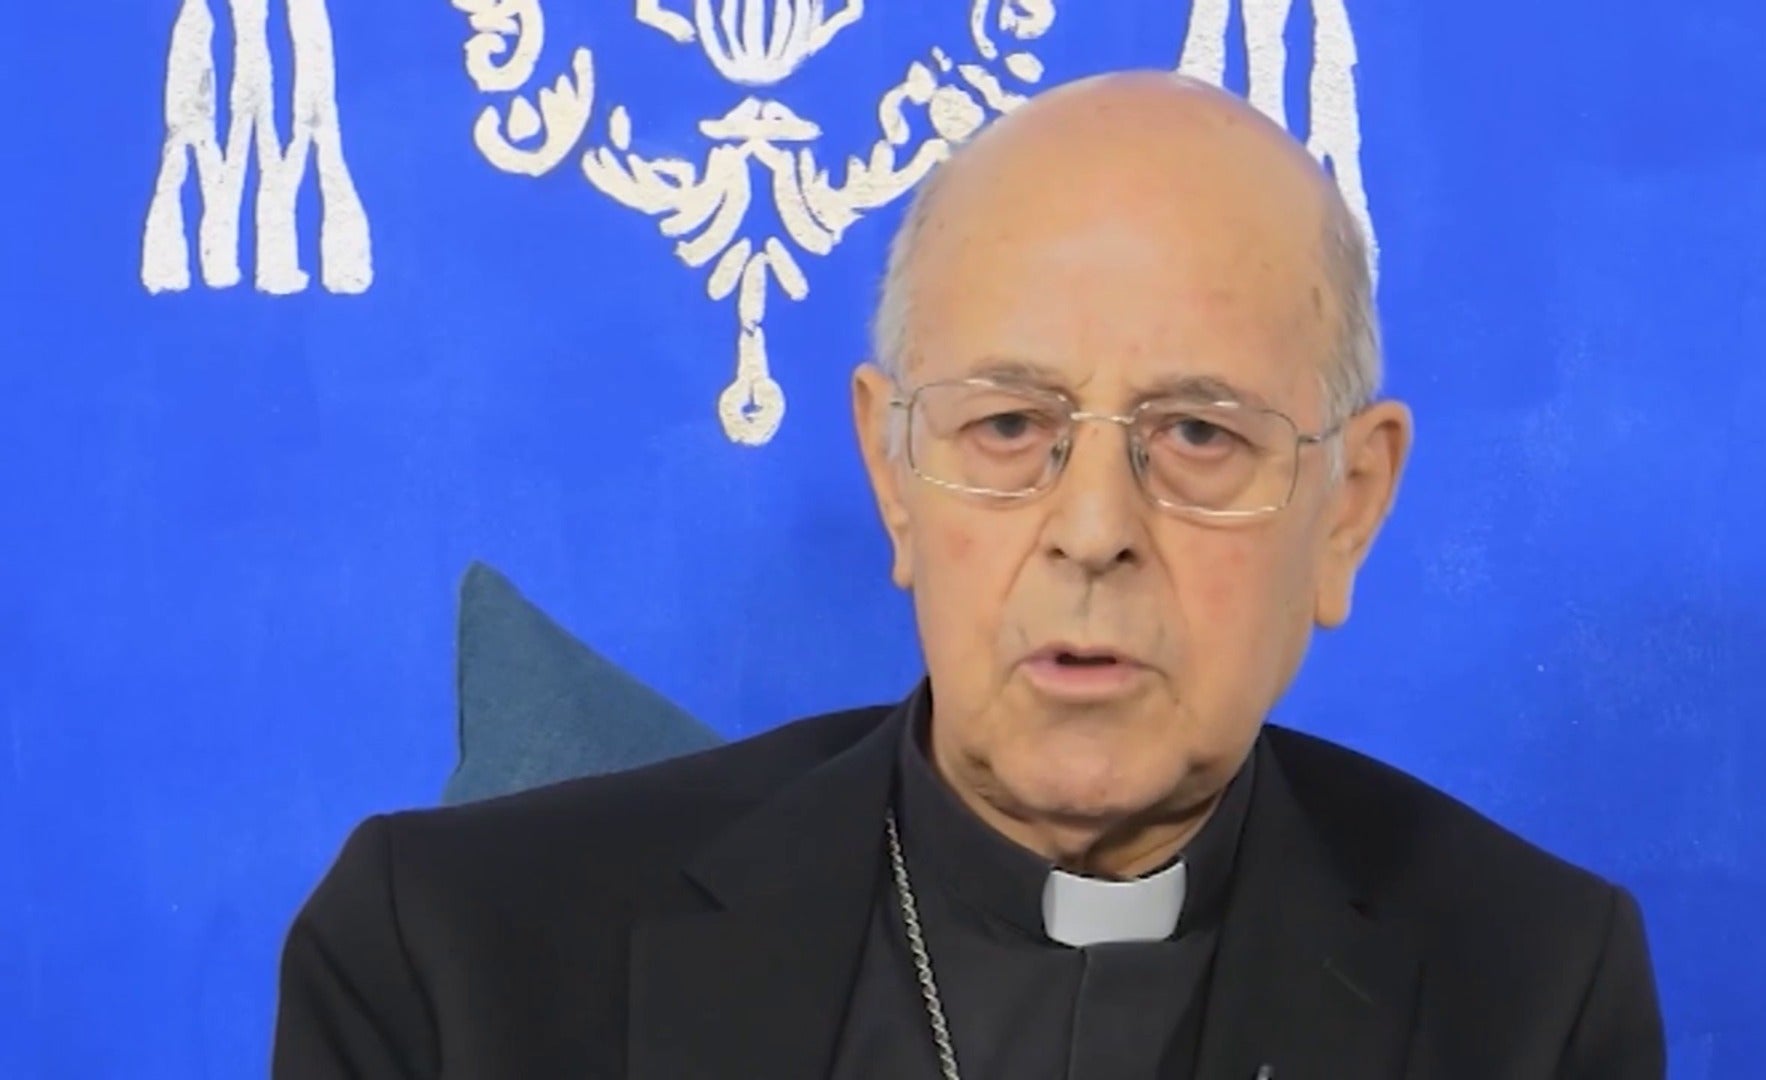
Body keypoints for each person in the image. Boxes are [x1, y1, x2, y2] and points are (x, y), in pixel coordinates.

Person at [272, 71, 1666, 1078]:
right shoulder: (454, 963)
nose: (1093, 528)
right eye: (1009, 426)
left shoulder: (1527, 993)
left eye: (1197, 434)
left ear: (1347, 506)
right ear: (893, 473)